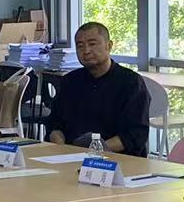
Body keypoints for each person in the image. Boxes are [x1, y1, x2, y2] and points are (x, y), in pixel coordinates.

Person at [46, 22, 150, 157]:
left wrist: (93, 150)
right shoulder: (70, 81)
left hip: (118, 159)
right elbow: (54, 124)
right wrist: (62, 148)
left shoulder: (131, 83)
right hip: (71, 157)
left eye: (92, 44)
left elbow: (135, 135)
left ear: (109, 46)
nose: (86, 51)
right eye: (80, 46)